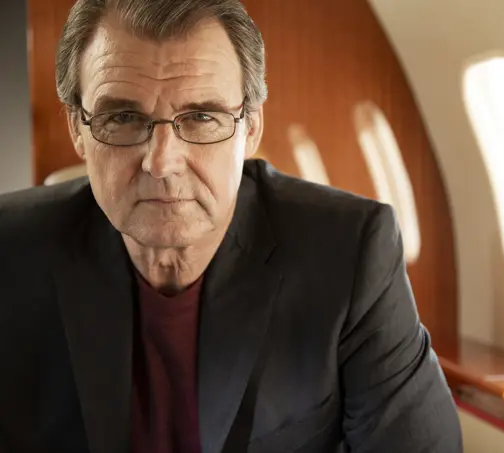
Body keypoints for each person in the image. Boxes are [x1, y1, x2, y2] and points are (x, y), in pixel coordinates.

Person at [0, 0, 463, 452]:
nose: (162, 162)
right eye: (122, 117)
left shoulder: (350, 253)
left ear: (251, 128)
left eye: (201, 117)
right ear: (77, 129)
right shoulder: (11, 252)